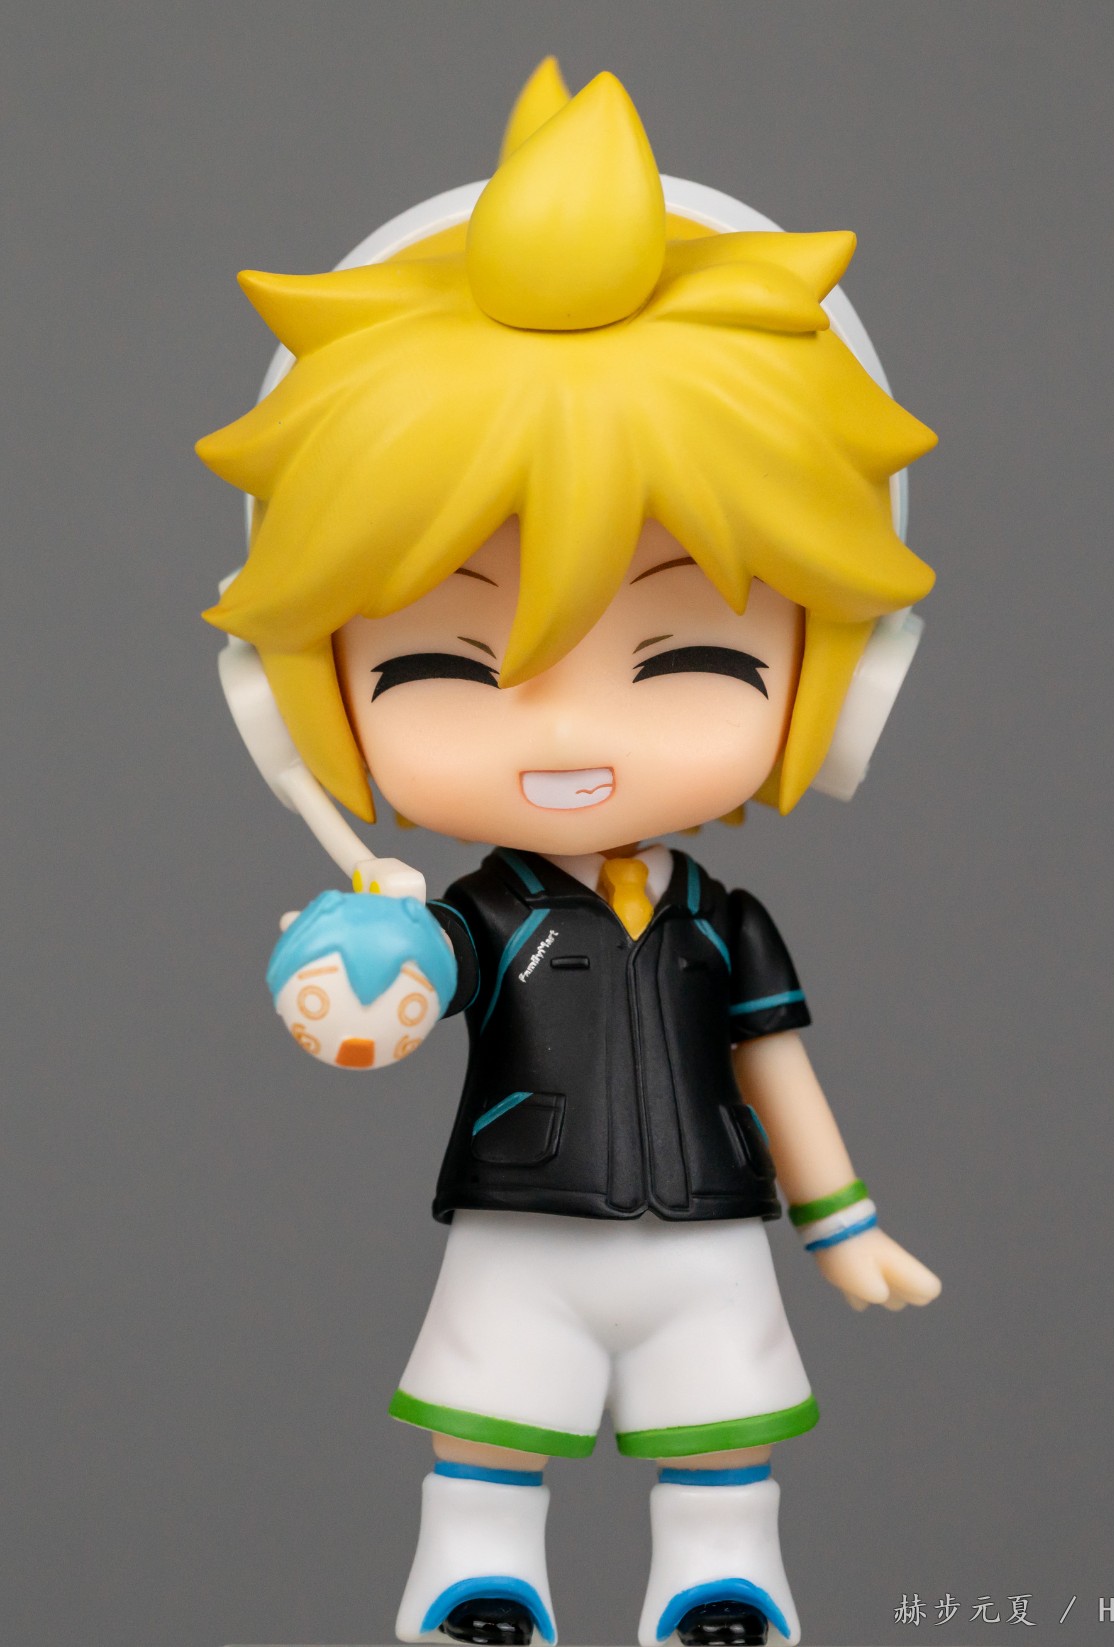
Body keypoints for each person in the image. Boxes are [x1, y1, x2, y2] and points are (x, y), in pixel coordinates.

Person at [200, 59, 942, 1647]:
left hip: (712, 1230)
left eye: (690, 659)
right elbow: (403, 996)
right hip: (519, 1233)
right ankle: (478, 1581)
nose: (567, 733)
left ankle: (723, 1585)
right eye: (441, 666)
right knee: (489, 1437)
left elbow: (777, 1069)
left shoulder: (723, 919)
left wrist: (845, 1228)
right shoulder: (477, 914)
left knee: (724, 1445)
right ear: (295, 704)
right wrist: (360, 973)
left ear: (848, 682)